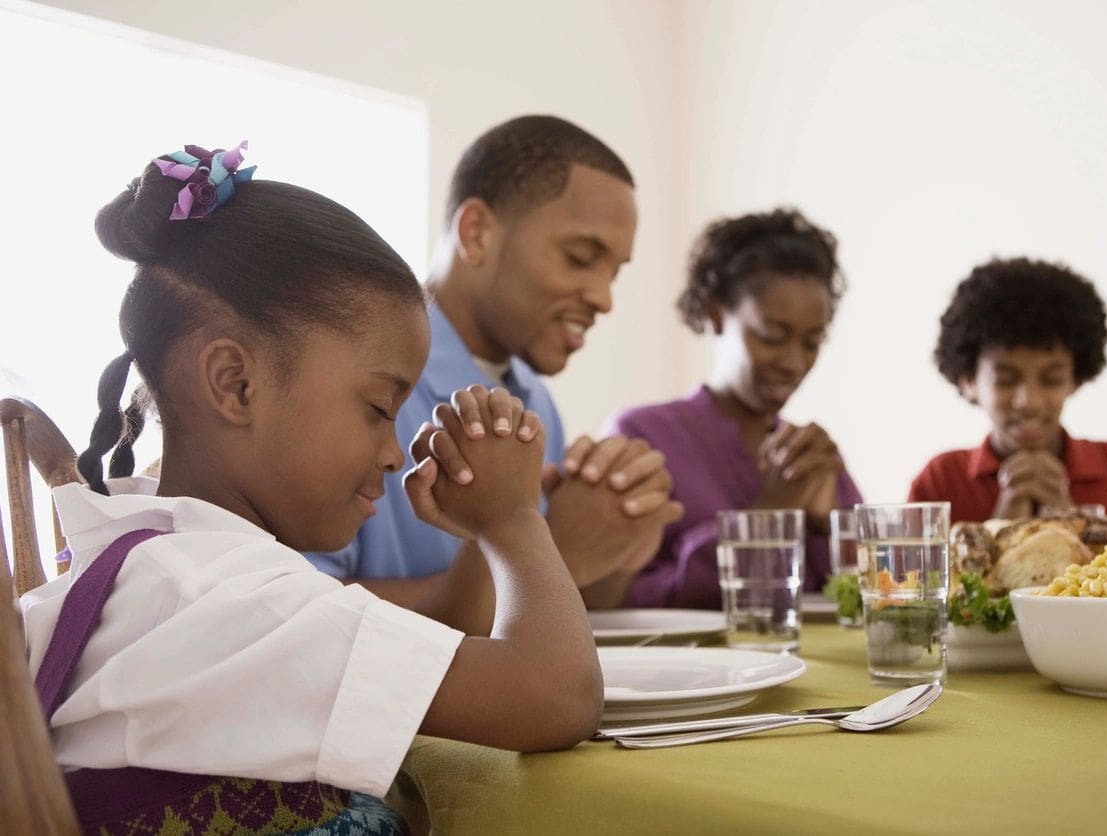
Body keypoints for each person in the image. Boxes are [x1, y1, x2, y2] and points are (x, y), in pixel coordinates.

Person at [19, 142, 601, 833]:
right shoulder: (232, 602)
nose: (393, 452)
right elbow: (555, 697)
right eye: (379, 409)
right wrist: (511, 519)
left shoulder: (161, 568)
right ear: (235, 384)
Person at [306, 115, 682, 618]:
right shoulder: (352, 376)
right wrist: (550, 555)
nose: (603, 298)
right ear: (477, 232)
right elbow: (295, 619)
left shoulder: (533, 397)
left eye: (614, 271)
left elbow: (556, 615)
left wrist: (618, 547)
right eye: (579, 257)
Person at [604, 208, 862, 609]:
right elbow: (622, 600)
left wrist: (829, 525)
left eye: (812, 342)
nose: (794, 362)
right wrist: (771, 512)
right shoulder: (642, 437)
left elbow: (869, 593)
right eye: (773, 336)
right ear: (715, 315)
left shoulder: (810, 454)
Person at [907, 256, 1107, 554]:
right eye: (1006, 380)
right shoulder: (940, 483)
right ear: (969, 380)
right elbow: (905, 588)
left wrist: (1073, 530)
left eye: (1051, 379)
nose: (1029, 402)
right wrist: (1001, 532)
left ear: (1075, 378)